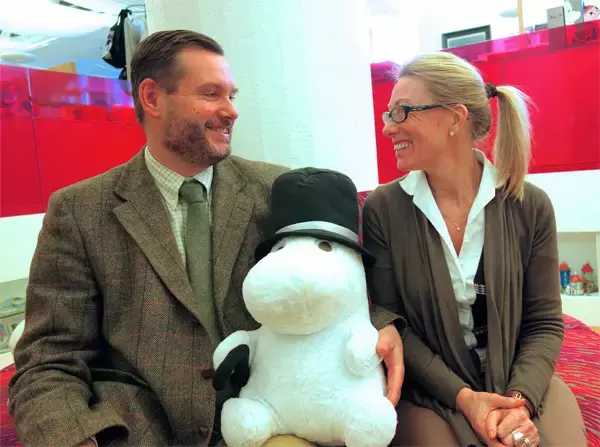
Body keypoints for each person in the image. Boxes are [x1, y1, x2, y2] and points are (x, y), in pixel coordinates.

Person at [9, 30, 404, 447]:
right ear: (152, 98)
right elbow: (49, 358)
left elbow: (338, 275)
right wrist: (73, 438)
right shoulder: (80, 211)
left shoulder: (277, 190)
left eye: (231, 95)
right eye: (211, 94)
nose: (231, 111)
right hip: (145, 430)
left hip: (272, 419)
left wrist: (380, 324)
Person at [362, 51, 588, 447]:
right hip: (433, 393)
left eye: (402, 112)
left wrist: (518, 402)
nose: (387, 127)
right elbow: (393, 324)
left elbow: (544, 323)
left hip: (519, 383)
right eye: (388, 113)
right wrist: (465, 398)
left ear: (454, 117)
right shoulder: (383, 209)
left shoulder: (530, 205)